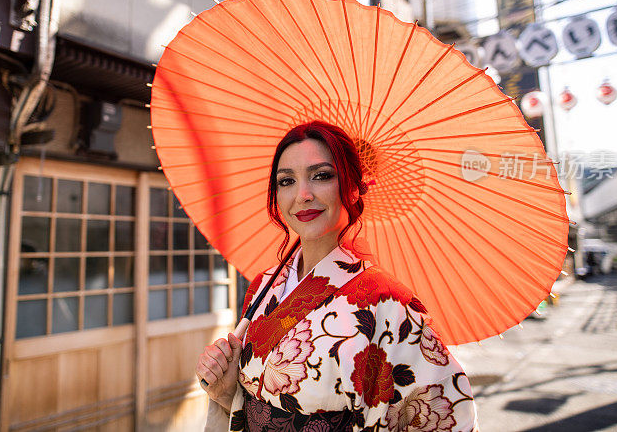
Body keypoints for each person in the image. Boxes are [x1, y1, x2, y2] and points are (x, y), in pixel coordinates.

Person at [197, 121, 478, 431]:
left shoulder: (387, 303)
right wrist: (227, 393)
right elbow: (252, 406)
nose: (302, 194)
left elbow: (447, 419)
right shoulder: (264, 287)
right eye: (286, 181)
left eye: (321, 176)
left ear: (354, 187)